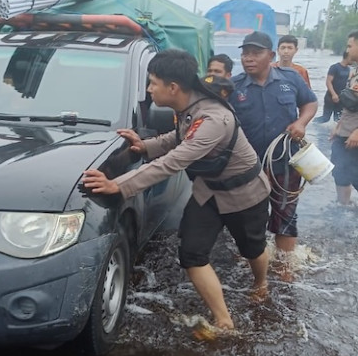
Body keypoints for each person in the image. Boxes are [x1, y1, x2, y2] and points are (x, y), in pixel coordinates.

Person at [82, 49, 270, 333]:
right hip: (208, 193)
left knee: (252, 248)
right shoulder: (189, 109)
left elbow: (174, 161)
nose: (148, 89)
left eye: (152, 82)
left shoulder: (213, 119)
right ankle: (224, 320)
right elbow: (179, 137)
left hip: (245, 193)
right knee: (191, 254)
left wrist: (118, 185)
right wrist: (145, 146)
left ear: (173, 87)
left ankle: (262, 283)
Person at [229, 31, 317, 259]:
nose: (248, 58)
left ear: (271, 55)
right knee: (248, 219)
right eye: (245, 54)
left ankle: (284, 268)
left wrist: (301, 122)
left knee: (286, 217)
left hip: (285, 164)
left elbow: (310, 103)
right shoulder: (234, 87)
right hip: (249, 168)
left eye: (255, 53)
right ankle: (252, 267)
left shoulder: (291, 78)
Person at [330, 31, 358, 205]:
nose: (347, 50)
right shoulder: (354, 72)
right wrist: (338, 126)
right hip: (344, 134)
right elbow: (350, 105)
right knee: (339, 172)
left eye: (350, 45)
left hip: (355, 137)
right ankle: (343, 207)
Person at [316, 51, 351, 123]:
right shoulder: (335, 67)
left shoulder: (348, 69)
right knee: (325, 118)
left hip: (341, 98)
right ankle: (312, 123)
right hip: (330, 96)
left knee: (338, 119)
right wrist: (333, 94)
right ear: (348, 57)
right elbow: (328, 82)